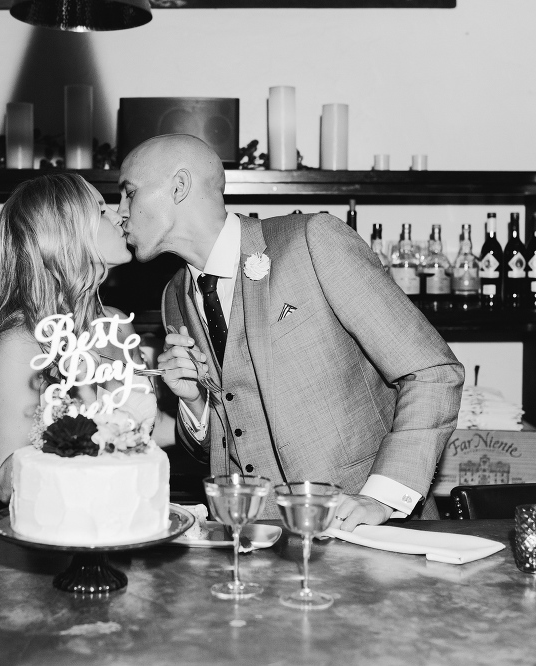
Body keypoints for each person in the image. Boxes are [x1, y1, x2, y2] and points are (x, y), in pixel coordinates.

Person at [117, 134, 464, 527]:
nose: (120, 212)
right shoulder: (174, 298)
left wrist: (381, 499)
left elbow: (433, 372)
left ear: (179, 186)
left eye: (128, 193)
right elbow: (228, 436)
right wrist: (194, 402)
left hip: (361, 533)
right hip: (250, 543)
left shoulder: (312, 242)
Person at [0, 173, 176, 503]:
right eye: (100, 210)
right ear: (63, 233)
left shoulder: (115, 323)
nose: (119, 215)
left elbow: (149, 428)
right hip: (63, 530)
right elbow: (4, 480)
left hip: (131, 516)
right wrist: (84, 410)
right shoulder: (20, 346)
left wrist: (208, 411)